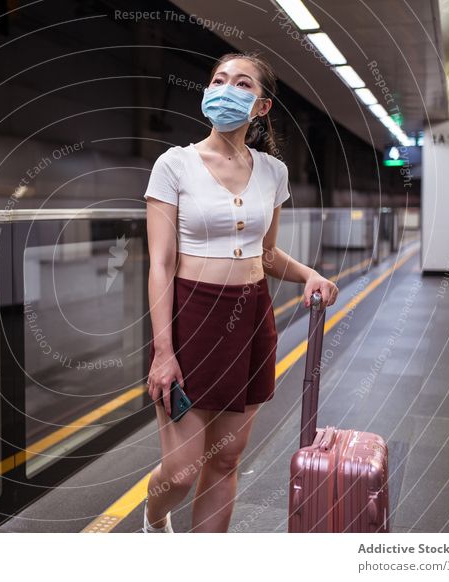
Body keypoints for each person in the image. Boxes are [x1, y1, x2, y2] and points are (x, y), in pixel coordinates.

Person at [141, 51, 339, 533]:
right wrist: (164, 351)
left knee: (226, 459)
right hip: (191, 320)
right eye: (219, 80)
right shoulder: (175, 165)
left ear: (262, 107)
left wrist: (308, 273)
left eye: (243, 84)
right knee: (183, 468)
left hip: (251, 320)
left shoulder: (274, 173)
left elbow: (266, 255)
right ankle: (154, 517)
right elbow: (161, 262)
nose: (227, 89)